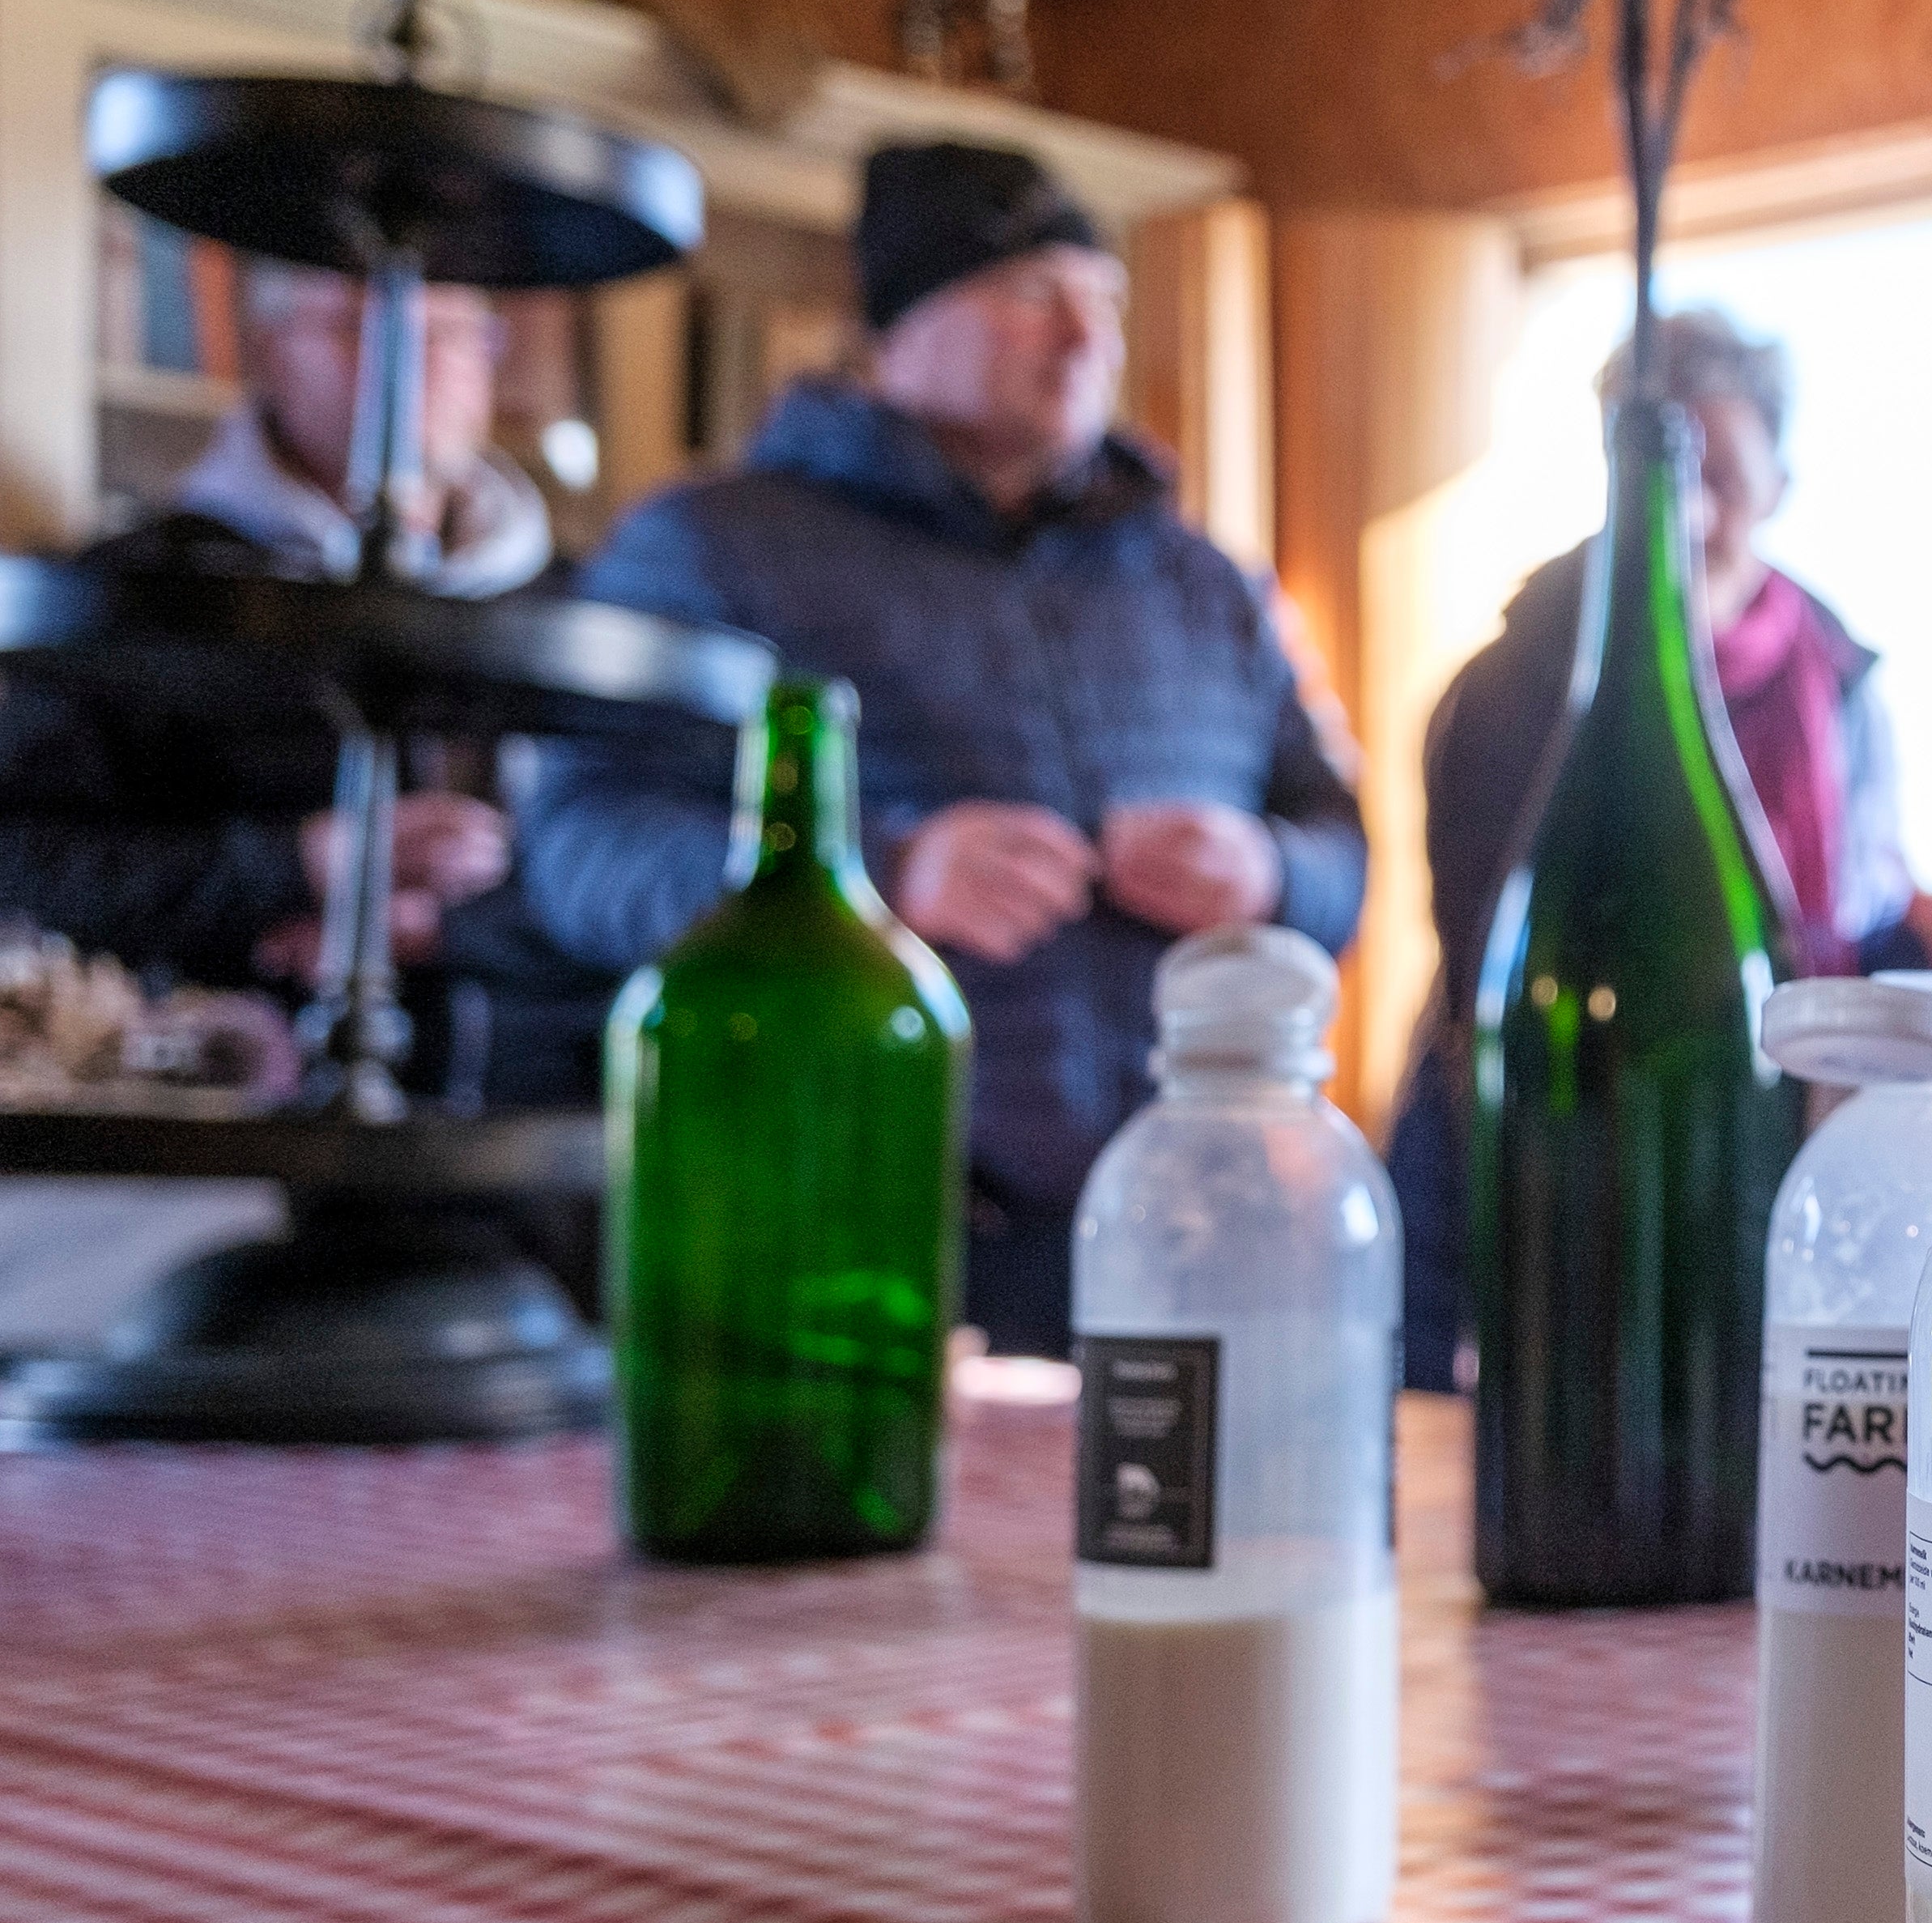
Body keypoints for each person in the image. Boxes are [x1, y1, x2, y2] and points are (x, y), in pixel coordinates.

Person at [520, 142, 1366, 1352]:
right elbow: (579, 849)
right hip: (846, 1250)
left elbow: (1338, 844)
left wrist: (1271, 875)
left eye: (1103, 302)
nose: (1084, 340)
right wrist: (877, 879)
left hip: (1200, 1241)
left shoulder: (1206, 582)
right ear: (899, 327)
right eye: (1030, 295)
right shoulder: (710, 547)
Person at [1389, 307, 1932, 1391]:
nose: (1690, 514)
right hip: (1556, 1152)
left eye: (1723, 477)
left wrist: (1924, 936)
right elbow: (1488, 966)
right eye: (1664, 475)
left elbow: (1851, 924)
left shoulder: (1841, 685)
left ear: (1780, 482)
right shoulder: (1505, 688)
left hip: (1772, 1156)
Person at [0, 266, 545, 1027]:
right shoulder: (126, 593)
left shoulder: (572, 602)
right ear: (270, 351)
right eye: (360, 325)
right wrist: (301, 866)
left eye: (451, 332)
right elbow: (24, 868)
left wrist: (450, 933)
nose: (415, 360)